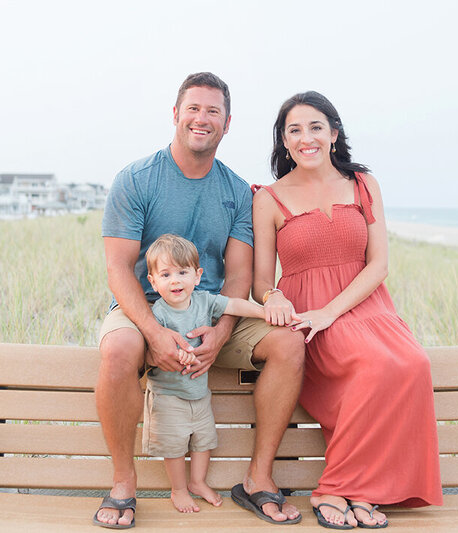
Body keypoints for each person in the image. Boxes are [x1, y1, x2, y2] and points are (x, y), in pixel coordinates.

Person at [93, 72, 305, 529]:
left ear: (227, 124)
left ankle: (258, 480)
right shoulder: (136, 180)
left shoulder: (236, 191)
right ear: (175, 114)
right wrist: (153, 332)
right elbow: (117, 270)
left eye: (213, 111)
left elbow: (240, 276)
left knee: (288, 344)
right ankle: (123, 483)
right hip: (144, 312)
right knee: (118, 350)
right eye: (193, 108)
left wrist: (219, 335)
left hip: (211, 316)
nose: (202, 118)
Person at [252, 91, 443, 529]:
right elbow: (263, 279)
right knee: (371, 368)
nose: (306, 138)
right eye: (294, 130)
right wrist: (274, 299)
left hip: (365, 306)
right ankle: (335, 488)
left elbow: (380, 264)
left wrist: (333, 311)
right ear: (283, 141)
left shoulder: (362, 184)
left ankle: (362, 490)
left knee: (413, 364)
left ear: (334, 133)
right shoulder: (269, 198)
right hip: (308, 315)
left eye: (316, 127)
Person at [142, 233, 279, 514]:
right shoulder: (159, 314)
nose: (175, 280)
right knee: (175, 446)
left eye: (182, 272)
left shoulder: (204, 301)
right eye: (166, 274)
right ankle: (178, 489)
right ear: (153, 281)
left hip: (199, 393)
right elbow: (156, 345)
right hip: (168, 396)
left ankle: (197, 482)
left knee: (203, 440)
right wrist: (176, 352)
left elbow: (234, 305)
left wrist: (264, 312)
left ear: (197, 275)